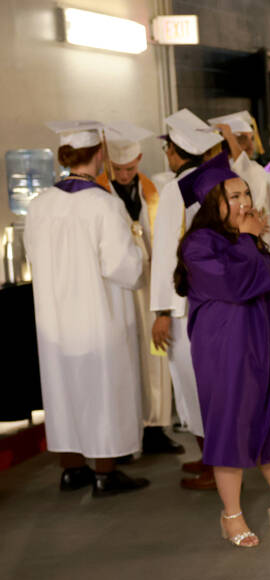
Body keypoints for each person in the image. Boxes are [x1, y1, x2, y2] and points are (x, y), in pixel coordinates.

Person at [173, 152, 270, 547]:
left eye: (245, 193)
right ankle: (231, 515)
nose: (245, 202)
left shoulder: (246, 239)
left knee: (269, 418)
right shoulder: (200, 243)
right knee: (231, 425)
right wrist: (253, 240)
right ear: (212, 203)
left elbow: (259, 284)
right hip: (226, 349)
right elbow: (234, 286)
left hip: (261, 340)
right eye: (233, 195)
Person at [25, 122, 148, 496]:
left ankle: (71, 468)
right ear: (99, 154)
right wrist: (139, 246)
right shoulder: (103, 204)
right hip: (98, 316)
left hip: (55, 319)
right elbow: (122, 267)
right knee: (103, 391)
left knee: (64, 390)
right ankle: (105, 472)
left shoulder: (40, 204)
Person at [97, 125, 183, 456]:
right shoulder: (100, 196)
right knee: (122, 359)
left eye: (129, 168)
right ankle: (124, 433)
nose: (123, 175)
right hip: (117, 288)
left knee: (155, 357)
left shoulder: (154, 190)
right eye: (116, 169)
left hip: (149, 286)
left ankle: (156, 428)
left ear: (139, 160)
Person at [150, 109, 223, 490]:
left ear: (176, 152)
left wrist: (163, 310)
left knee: (193, 383)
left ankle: (216, 464)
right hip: (211, 299)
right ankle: (210, 457)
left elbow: (166, 253)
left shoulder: (175, 189)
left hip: (183, 303)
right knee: (205, 382)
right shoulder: (215, 181)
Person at [209, 112, 270, 278]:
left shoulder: (260, 174)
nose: (250, 145)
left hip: (259, 251)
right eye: (241, 139)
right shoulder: (214, 174)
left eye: (251, 138)